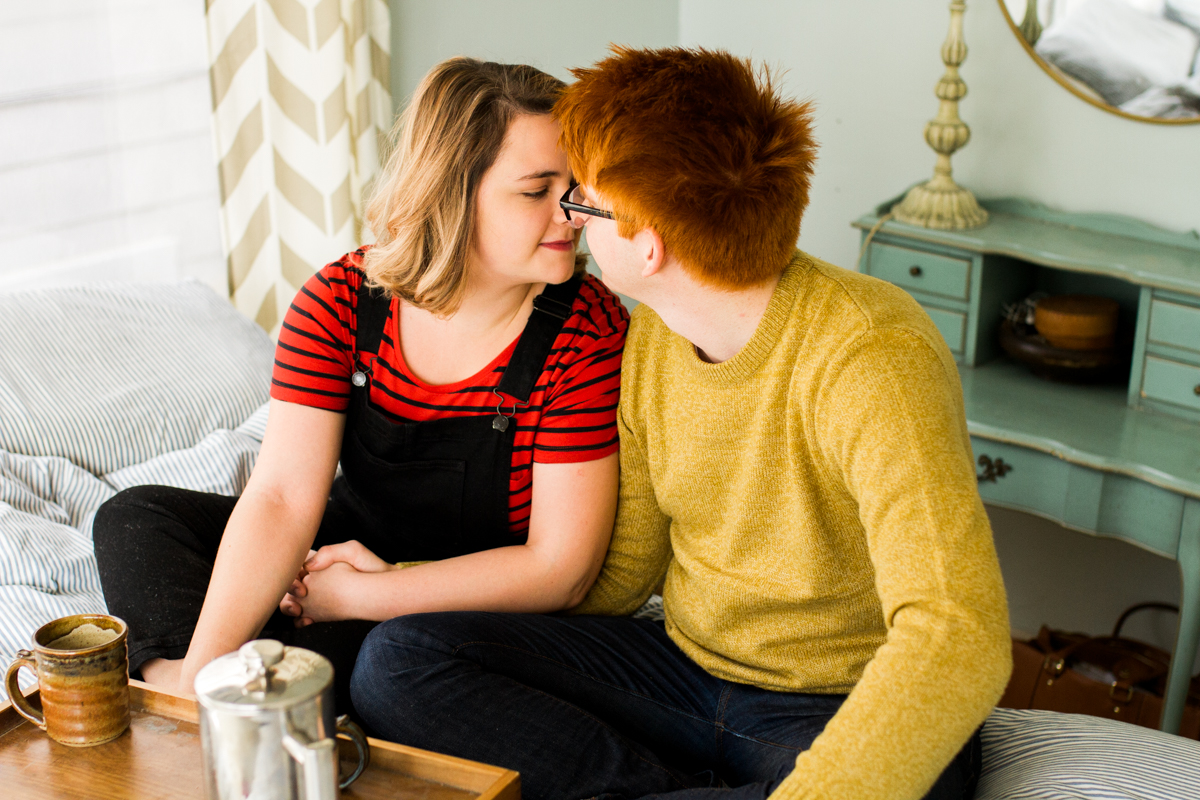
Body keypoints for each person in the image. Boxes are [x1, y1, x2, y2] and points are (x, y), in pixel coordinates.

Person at [349, 47, 1012, 800]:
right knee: (398, 663)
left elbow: (960, 635)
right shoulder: (652, 336)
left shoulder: (871, 354)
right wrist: (403, 584)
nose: (569, 218)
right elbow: (620, 577)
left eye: (583, 202)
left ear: (646, 243)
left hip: (832, 706)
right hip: (682, 673)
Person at [91, 58, 628, 711]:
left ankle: (263, 677)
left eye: (574, 189)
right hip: (345, 540)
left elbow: (560, 571)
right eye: (537, 190)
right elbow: (284, 498)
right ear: (451, 192)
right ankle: (194, 689)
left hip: (472, 597)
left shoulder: (587, 329)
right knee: (134, 516)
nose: (572, 215)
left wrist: (360, 595)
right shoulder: (344, 299)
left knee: (385, 669)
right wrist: (205, 678)